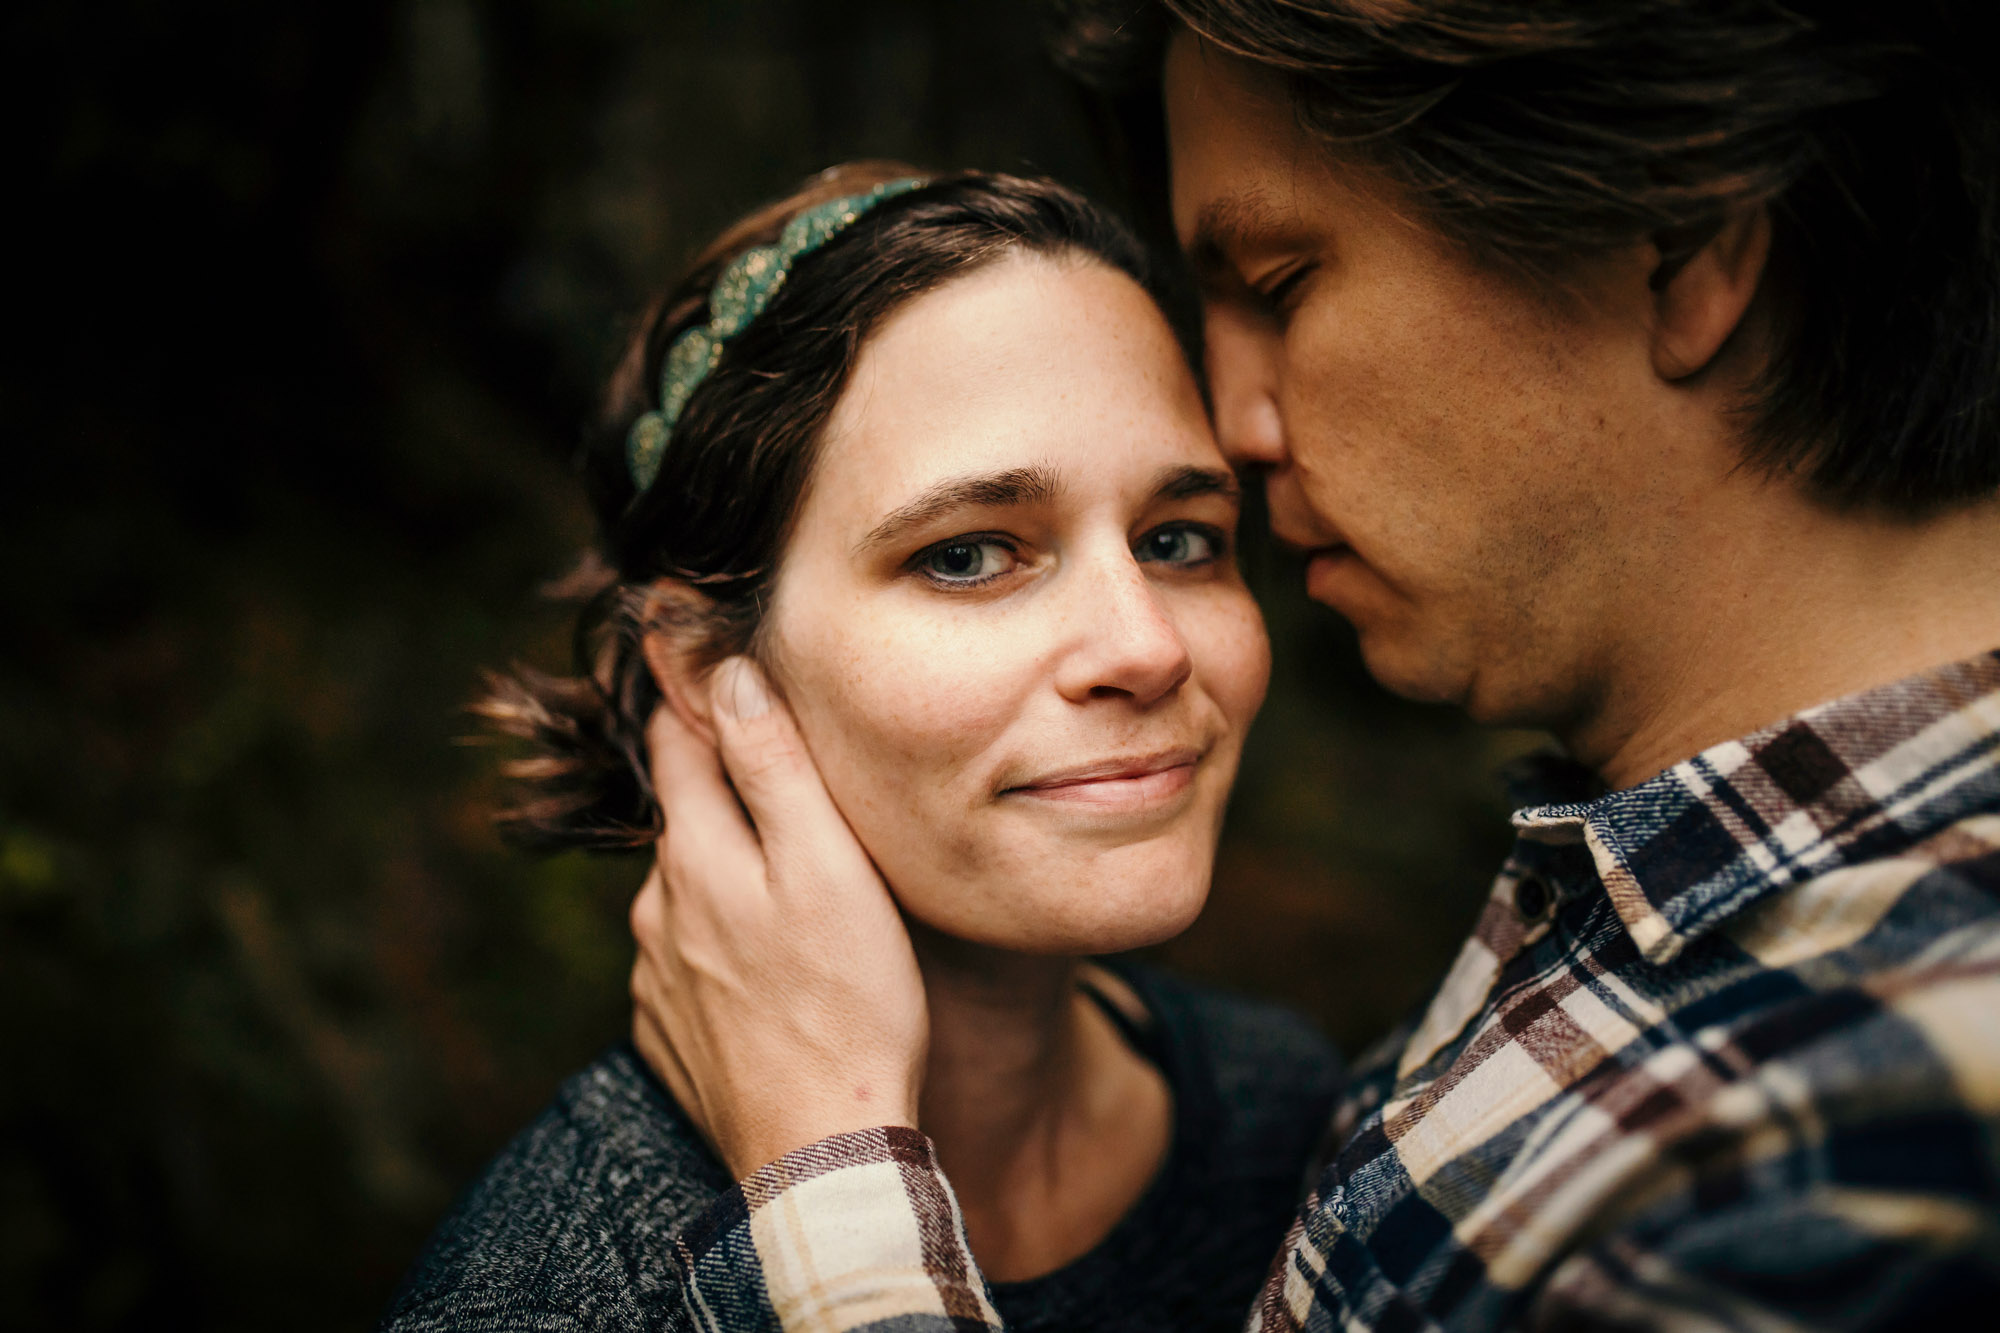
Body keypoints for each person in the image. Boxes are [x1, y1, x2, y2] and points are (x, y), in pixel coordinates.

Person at [625, 2, 2000, 1329]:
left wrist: (831, 1183)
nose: (1228, 423)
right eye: (970, 555)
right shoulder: (1650, 899)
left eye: (1282, 284)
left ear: (1680, 243)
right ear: (702, 655)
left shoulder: (1890, 1128)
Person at [379, 165, 1348, 1333]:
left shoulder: (1290, 1116)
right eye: (966, 554)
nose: (1145, 647)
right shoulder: (552, 1296)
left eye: (1179, 538)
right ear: (700, 668)